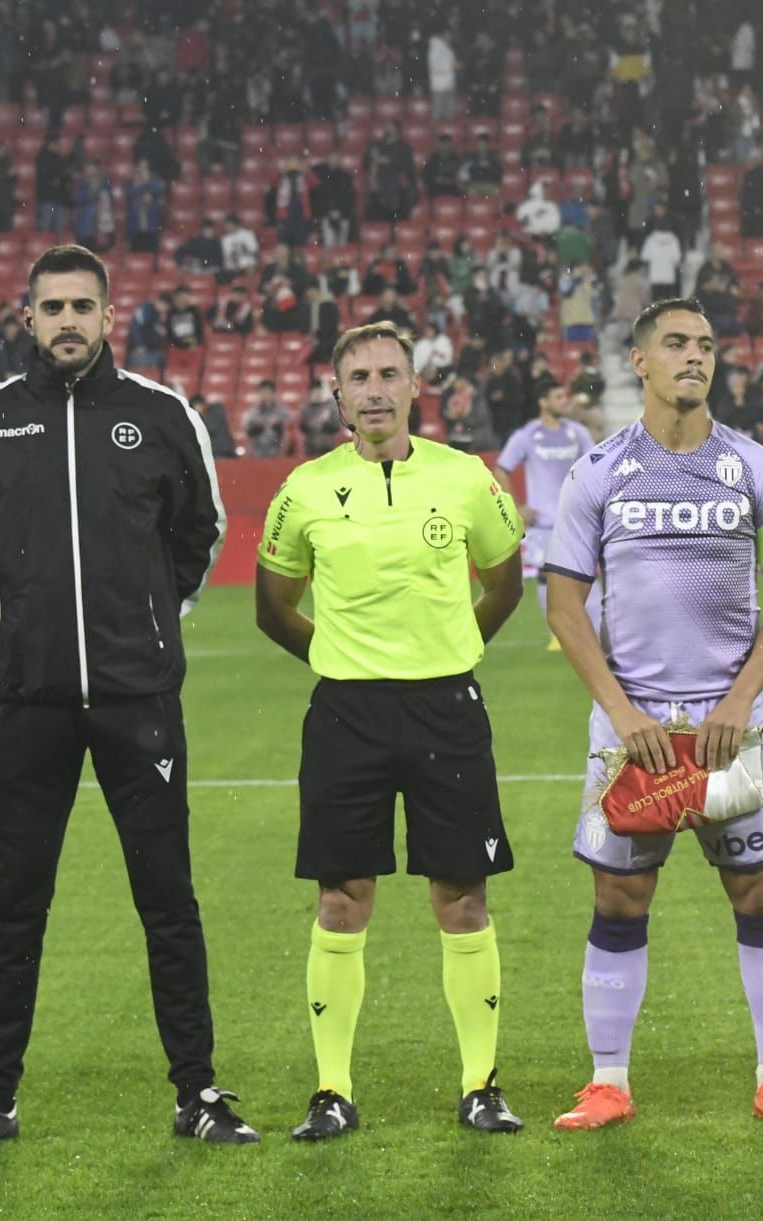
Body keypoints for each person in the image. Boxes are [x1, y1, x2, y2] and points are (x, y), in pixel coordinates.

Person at [0, 244, 253, 1150]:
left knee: (167, 898)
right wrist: (15, 630)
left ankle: (199, 1093)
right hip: (26, 704)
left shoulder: (157, 414)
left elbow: (201, 532)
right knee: (16, 903)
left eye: (83, 306)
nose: (67, 320)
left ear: (112, 316)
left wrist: (147, 624)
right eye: (51, 307)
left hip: (136, 698)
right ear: (25, 319)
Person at [539, 298, 763, 1131]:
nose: (694, 356)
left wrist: (738, 699)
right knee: (621, 898)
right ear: (640, 362)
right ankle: (608, 1082)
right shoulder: (598, 471)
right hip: (635, 730)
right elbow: (562, 606)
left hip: (733, 725)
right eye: (676, 344)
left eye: (704, 344)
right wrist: (622, 712)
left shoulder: (756, 468)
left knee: (760, 891)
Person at [255, 320, 529, 1141]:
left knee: (462, 894)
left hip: (446, 706)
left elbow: (505, 582)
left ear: (416, 387)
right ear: (335, 393)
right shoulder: (303, 488)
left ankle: (480, 1083)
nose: (374, 389)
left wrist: (451, 651)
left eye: (389, 374)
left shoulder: (467, 478)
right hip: (346, 713)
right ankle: (332, 1089)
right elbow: (273, 608)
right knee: (342, 898)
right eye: (359, 377)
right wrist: (343, 658)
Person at [495, 377, 595, 649]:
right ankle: (559, 633)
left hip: (574, 520)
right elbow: (501, 468)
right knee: (545, 576)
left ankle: (587, 630)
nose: (566, 402)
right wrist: (515, 506)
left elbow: (595, 466)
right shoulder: (528, 435)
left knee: (582, 576)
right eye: (559, 397)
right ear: (544, 402)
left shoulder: (577, 433)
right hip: (542, 524)